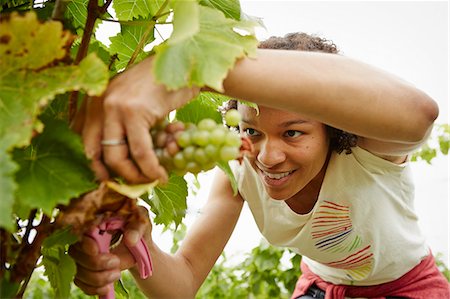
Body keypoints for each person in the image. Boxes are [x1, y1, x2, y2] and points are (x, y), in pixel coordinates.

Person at [69, 33, 450, 299]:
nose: (267, 157)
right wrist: (140, 247)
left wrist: (193, 68)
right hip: (319, 288)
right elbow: (183, 284)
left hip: (408, 289)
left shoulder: (369, 155)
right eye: (252, 129)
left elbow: (420, 114)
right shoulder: (237, 169)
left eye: (293, 133)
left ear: (333, 131)